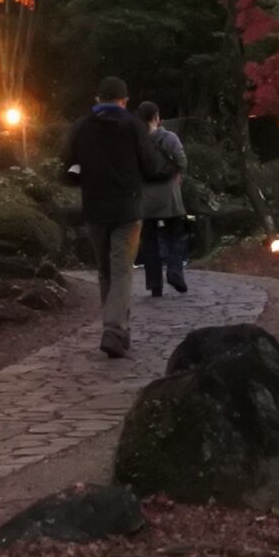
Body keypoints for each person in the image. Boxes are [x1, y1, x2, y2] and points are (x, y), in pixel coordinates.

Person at [62, 75, 159, 357]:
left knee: (105, 271)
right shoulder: (133, 126)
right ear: (124, 100)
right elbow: (151, 165)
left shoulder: (81, 127)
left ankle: (116, 329)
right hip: (127, 208)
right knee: (122, 270)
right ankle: (115, 329)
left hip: (95, 208)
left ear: (97, 99)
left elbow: (67, 166)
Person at [136, 100, 189, 296]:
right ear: (156, 117)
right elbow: (182, 161)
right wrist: (176, 173)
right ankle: (175, 272)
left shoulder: (135, 141)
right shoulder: (169, 137)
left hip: (145, 200)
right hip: (169, 195)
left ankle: (154, 284)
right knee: (175, 235)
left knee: (149, 240)